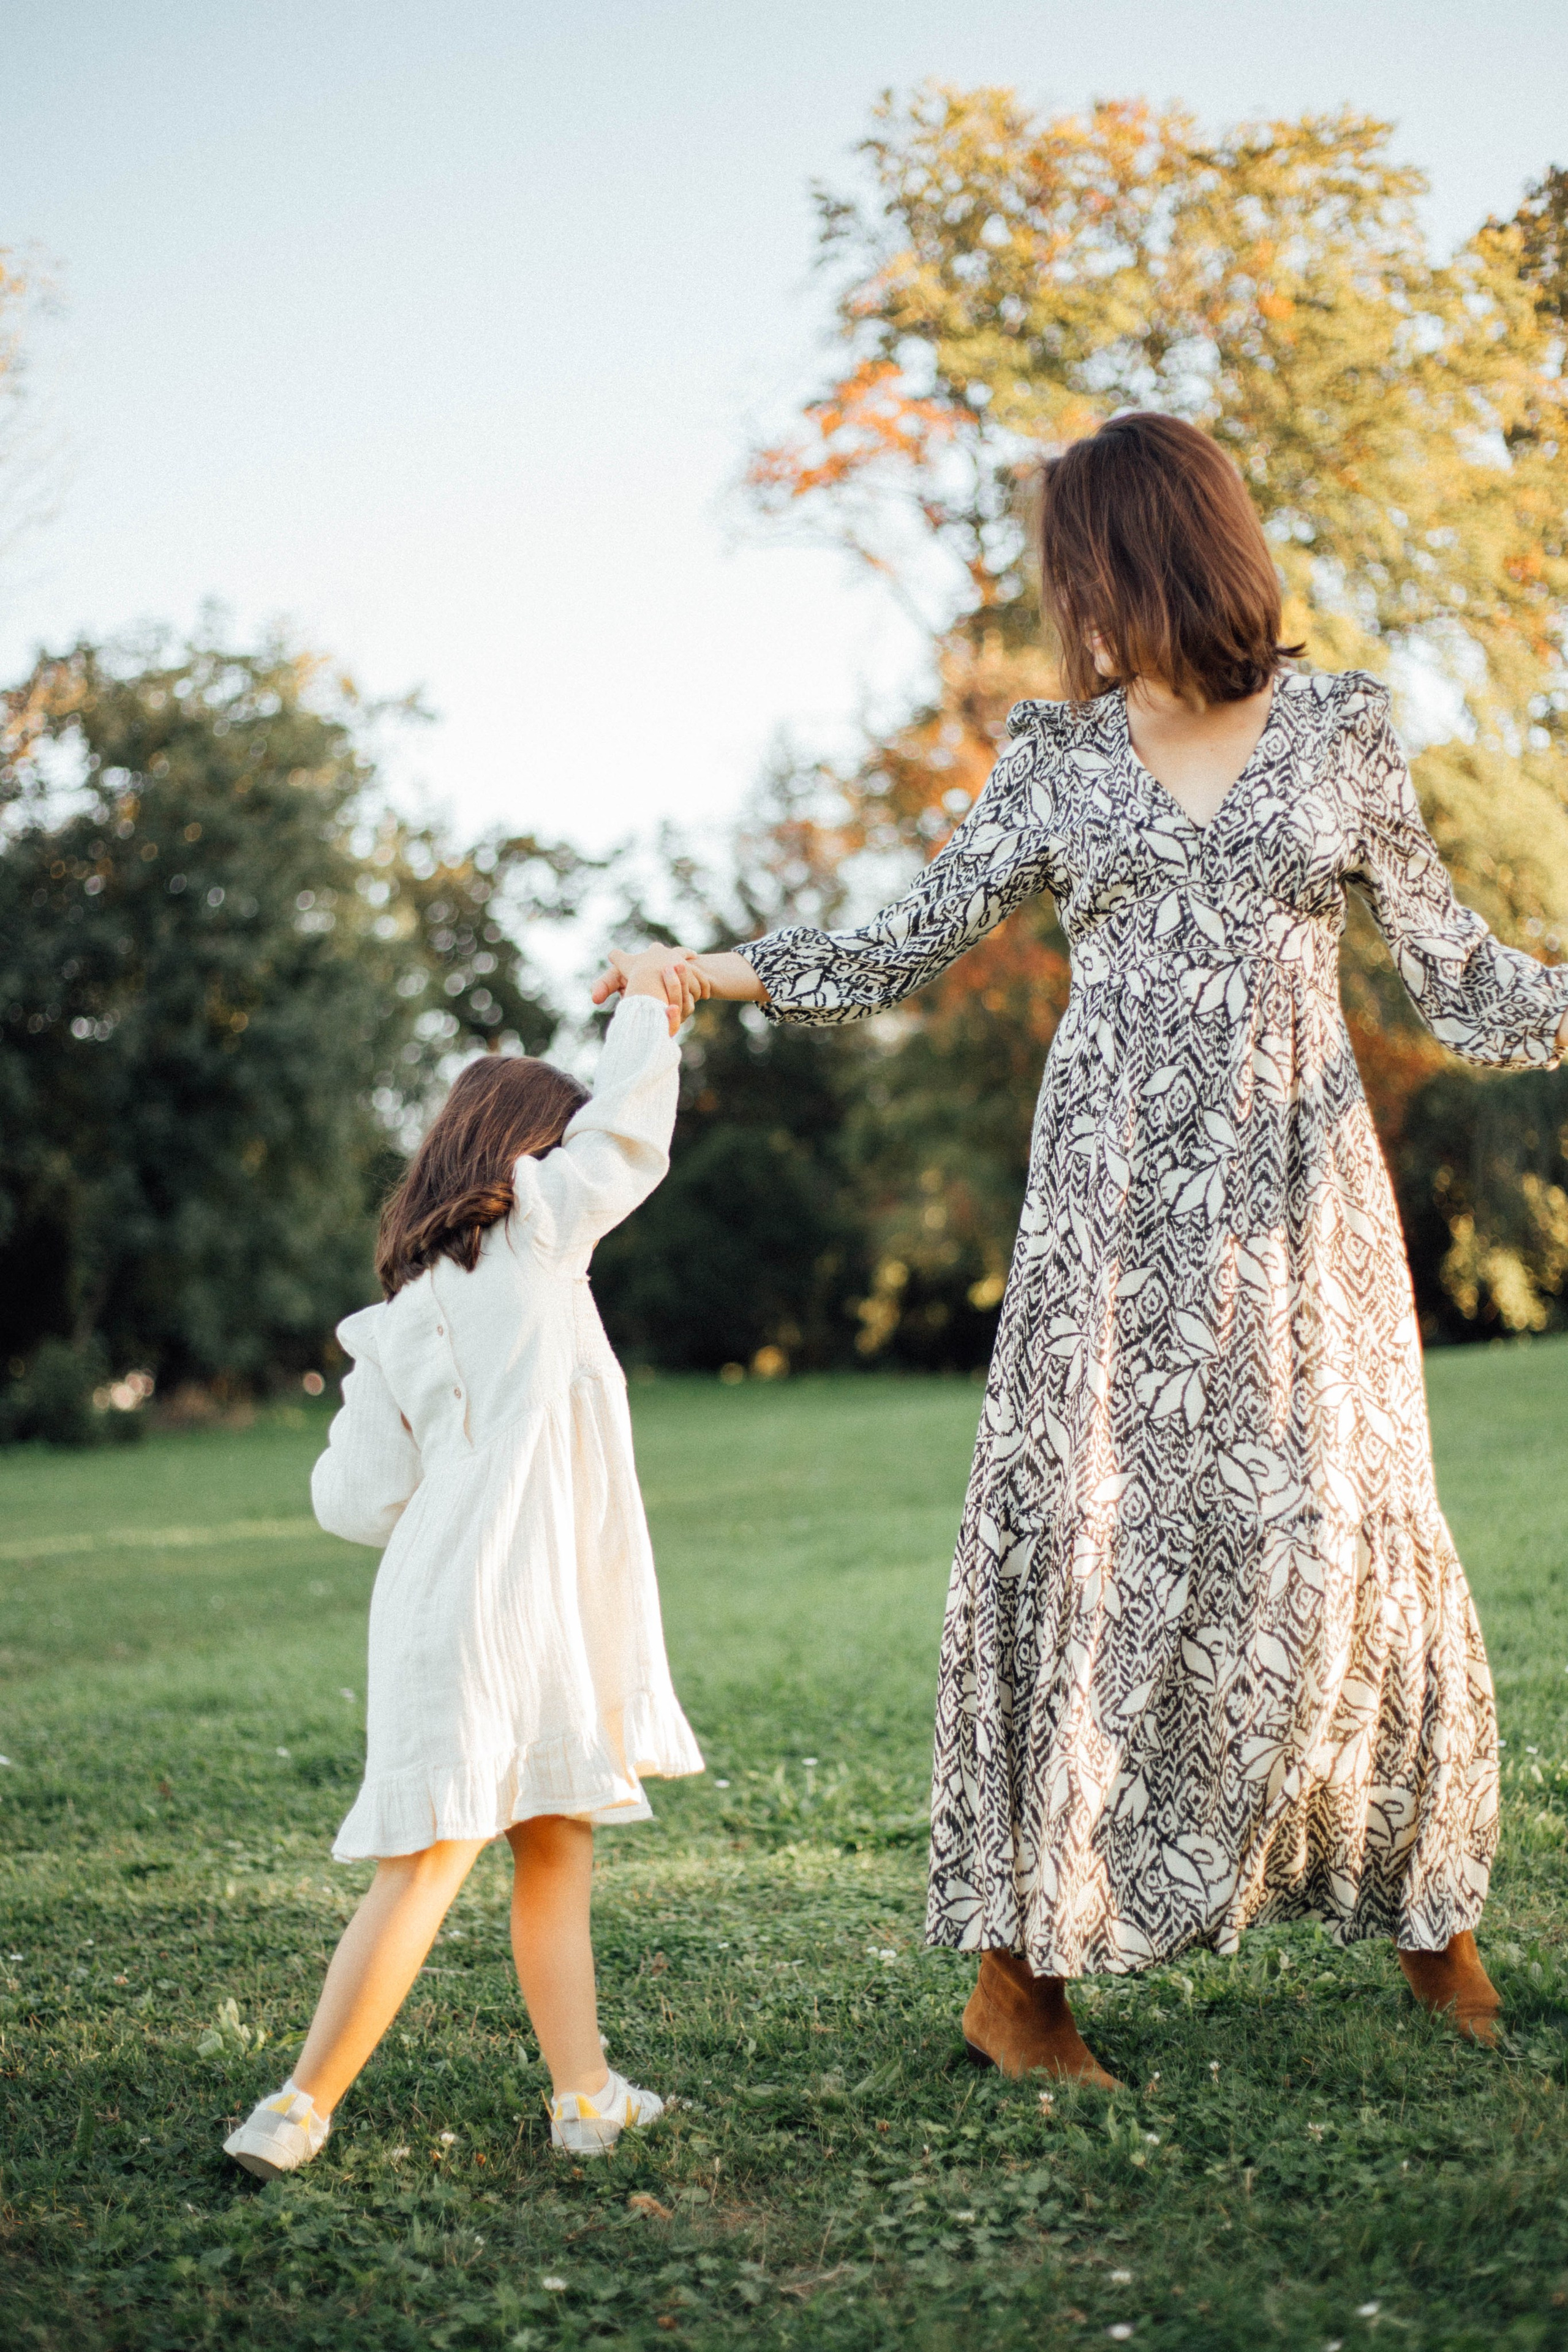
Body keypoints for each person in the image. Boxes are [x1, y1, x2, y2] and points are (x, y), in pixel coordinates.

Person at [597, 412, 1568, 2084]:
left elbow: (1461, 976)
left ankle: (1429, 1920)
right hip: (1106, 1226)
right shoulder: (1055, 757)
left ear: (1156, 556)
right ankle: (1018, 1989)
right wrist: (698, 968)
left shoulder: (1342, 730)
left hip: (1296, 1215)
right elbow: (900, 942)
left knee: (1339, 1532)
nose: (1072, 604)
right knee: (1088, 1542)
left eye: (1085, 570)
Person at [224, 952, 706, 2178]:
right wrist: (652, 1000)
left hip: (437, 1601)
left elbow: (355, 1499)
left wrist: (451, 1459)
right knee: (458, 1860)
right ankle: (296, 2107)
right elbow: (629, 1132)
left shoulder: (391, 1324)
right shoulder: (541, 1231)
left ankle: (586, 2096)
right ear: (530, 1151)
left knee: (528, 1842)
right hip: (516, 1605)